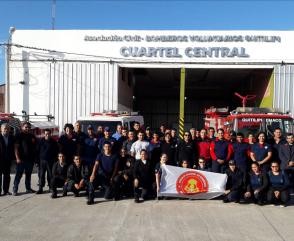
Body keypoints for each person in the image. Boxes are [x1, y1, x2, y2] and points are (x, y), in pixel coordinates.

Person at [13, 122, 37, 195]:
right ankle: (15, 190)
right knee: (18, 175)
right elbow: (16, 148)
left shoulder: (32, 136)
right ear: (22, 127)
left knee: (28, 175)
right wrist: (17, 158)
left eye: (29, 127)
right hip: (21, 160)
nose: (27, 128)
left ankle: (28, 188)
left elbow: (35, 148)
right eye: (26, 127)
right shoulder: (18, 136)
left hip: (30, 160)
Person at [36, 129, 59, 194]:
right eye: (46, 134)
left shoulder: (53, 142)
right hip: (42, 161)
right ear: (44, 134)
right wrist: (37, 161)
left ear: (50, 134)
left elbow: (56, 152)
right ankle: (40, 188)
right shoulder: (40, 141)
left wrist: (55, 161)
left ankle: (51, 187)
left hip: (51, 161)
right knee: (41, 175)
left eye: (48, 134)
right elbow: (37, 152)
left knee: (50, 175)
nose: (47, 135)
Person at [0, 124, 14, 195]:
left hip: (8, 160)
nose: (6, 130)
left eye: (8, 129)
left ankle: (6, 190)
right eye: (5, 128)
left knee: (7, 176)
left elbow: (13, 149)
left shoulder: (11, 137)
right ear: (1, 129)